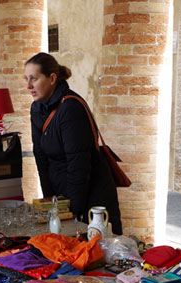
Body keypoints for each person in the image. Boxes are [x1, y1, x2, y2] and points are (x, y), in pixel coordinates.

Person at [26, 52, 122, 235]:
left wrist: (72, 213)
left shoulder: (70, 108)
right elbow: (41, 156)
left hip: (89, 194)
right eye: (26, 79)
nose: (28, 85)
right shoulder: (37, 108)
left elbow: (79, 165)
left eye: (34, 78)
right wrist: (51, 203)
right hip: (62, 193)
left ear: (52, 78)